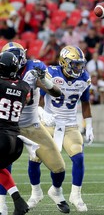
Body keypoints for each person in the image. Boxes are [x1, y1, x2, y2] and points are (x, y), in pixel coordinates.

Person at [1, 42, 69, 214]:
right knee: (2, 163)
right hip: (8, 126)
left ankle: (56, 192)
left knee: (59, 166)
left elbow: (56, 92)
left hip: (31, 126)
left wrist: (44, 79)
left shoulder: (33, 70)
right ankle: (2, 202)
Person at [39, 45, 94, 212]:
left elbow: (85, 103)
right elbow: (39, 98)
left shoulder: (84, 78)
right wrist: (41, 113)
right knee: (36, 159)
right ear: (64, 62)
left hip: (70, 125)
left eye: (80, 64)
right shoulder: (51, 73)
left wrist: (89, 125)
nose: (79, 68)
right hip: (49, 123)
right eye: (75, 64)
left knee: (78, 157)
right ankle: (37, 192)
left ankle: (75, 195)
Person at [0, 51, 31, 215]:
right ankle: (18, 202)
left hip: (2, 138)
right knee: (1, 169)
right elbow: (28, 99)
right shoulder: (25, 86)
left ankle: (17, 201)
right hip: (17, 141)